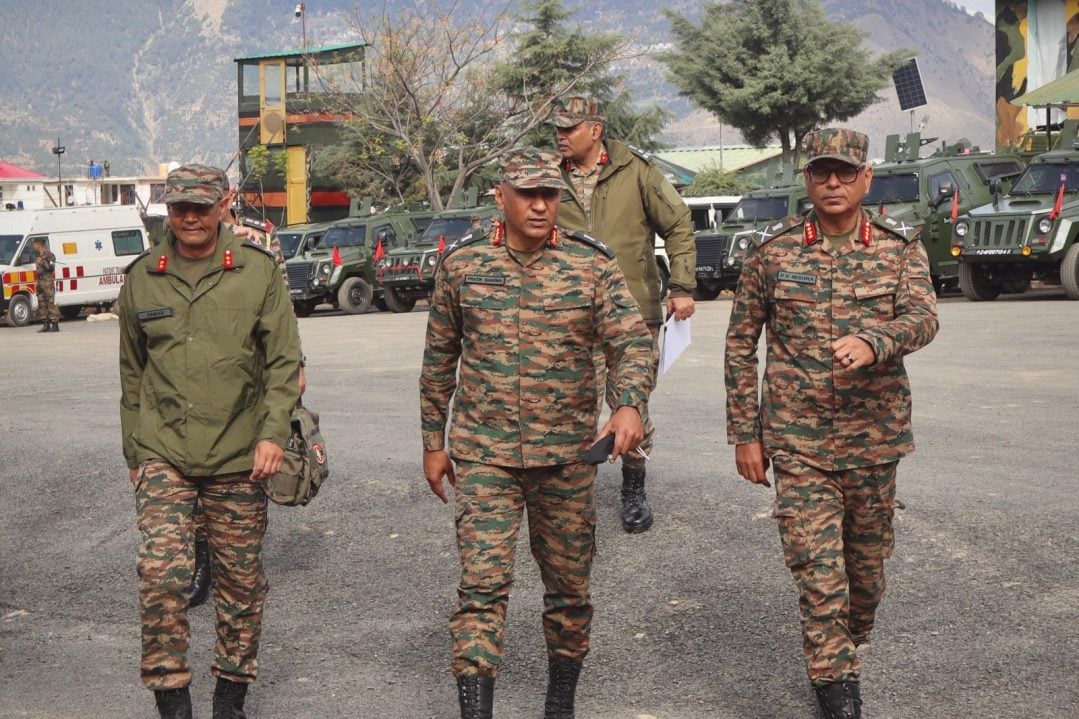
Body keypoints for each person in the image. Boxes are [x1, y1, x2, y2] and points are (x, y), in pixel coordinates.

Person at [420, 148, 654, 719]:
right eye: (528, 194)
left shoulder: (591, 266)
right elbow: (438, 359)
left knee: (570, 593)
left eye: (550, 194)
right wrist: (433, 441)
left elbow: (631, 343)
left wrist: (628, 406)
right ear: (501, 196)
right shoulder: (463, 267)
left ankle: (559, 704)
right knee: (481, 590)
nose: (541, 205)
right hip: (484, 457)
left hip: (568, 458)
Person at [724, 129, 939, 719]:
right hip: (798, 443)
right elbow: (741, 345)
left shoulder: (898, 249)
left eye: (845, 173)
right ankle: (839, 691)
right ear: (807, 179)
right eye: (822, 173)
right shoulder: (774, 254)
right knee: (820, 576)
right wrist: (746, 433)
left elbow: (923, 318)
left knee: (864, 578)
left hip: (875, 440)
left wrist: (877, 341)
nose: (834, 184)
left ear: (866, 178)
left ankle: (849, 642)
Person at [118, 164, 301, 719]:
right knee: (160, 579)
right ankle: (172, 702)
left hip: (239, 455)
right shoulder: (143, 276)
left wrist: (273, 433)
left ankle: (231, 700)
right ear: (166, 210)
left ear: (224, 204)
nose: (191, 217)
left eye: (201, 206)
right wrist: (136, 452)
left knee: (240, 586)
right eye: (179, 208)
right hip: (163, 453)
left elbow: (284, 362)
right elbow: (133, 373)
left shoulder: (257, 272)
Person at [552, 95, 697, 533]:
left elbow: (678, 223)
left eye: (569, 128)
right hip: (570, 312)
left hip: (634, 313)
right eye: (556, 129)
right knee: (570, 402)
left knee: (631, 403)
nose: (560, 136)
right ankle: (568, 494)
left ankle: (634, 486)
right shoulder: (548, 179)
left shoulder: (637, 171)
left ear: (595, 130)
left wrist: (683, 286)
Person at [32, 237, 61, 332]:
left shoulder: (50, 255)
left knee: (50, 303)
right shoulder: (37, 254)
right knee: (41, 302)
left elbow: (51, 268)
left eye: (35, 243)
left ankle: (55, 325)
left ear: (39, 244)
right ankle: (46, 324)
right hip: (40, 281)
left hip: (47, 281)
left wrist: (43, 262)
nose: (33, 246)